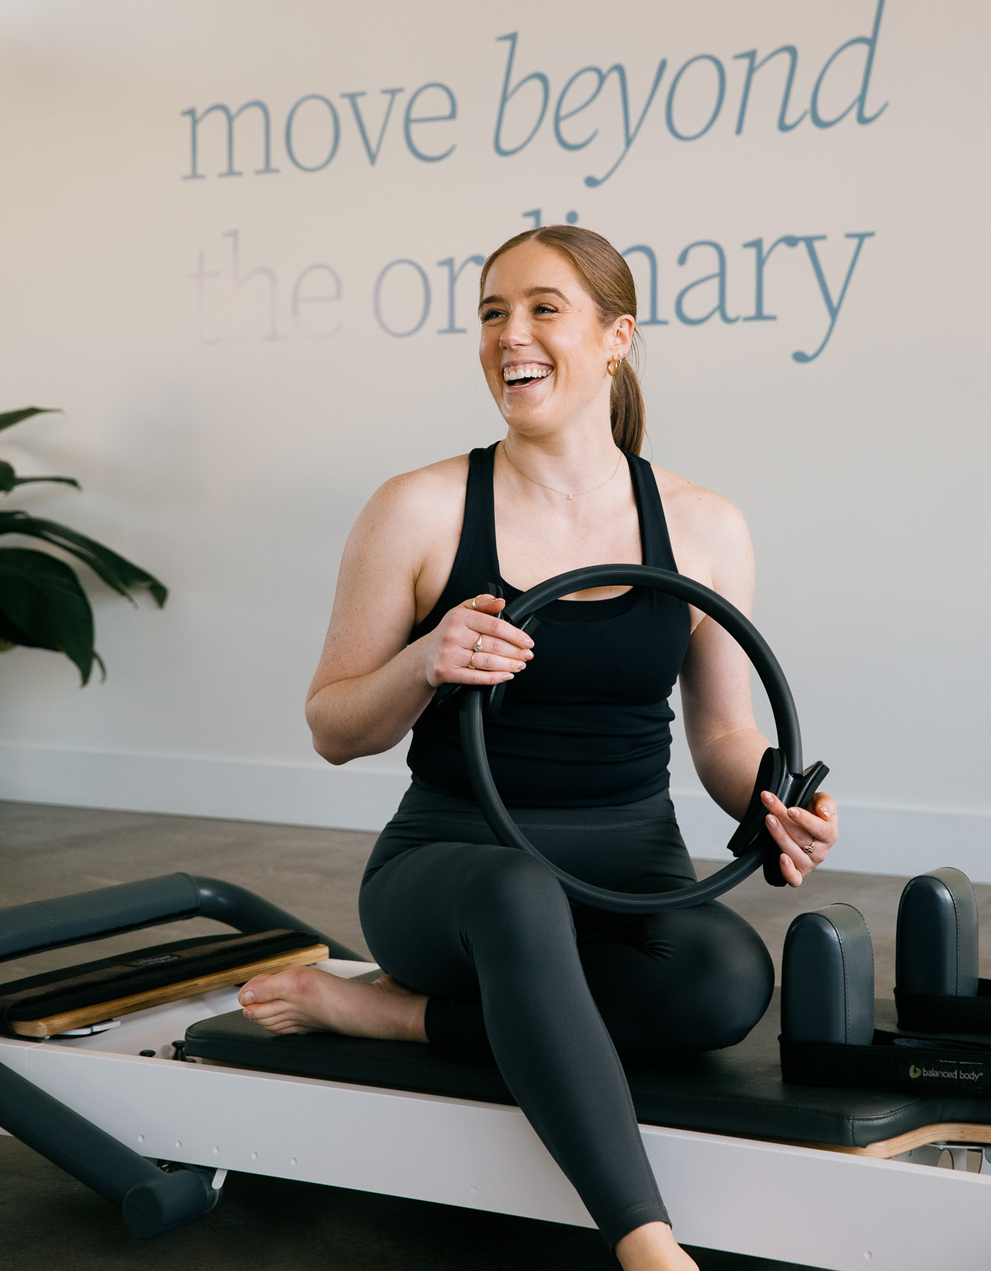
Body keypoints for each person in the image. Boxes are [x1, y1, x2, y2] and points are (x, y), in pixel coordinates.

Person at [237, 225, 839, 1271]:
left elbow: (723, 736)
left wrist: (771, 802)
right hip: (455, 869)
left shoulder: (702, 524)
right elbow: (334, 726)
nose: (510, 335)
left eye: (543, 308)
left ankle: (391, 1017)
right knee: (519, 895)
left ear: (616, 338)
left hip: (628, 869)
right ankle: (648, 1248)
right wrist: (425, 661)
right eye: (491, 312)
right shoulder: (420, 508)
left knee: (723, 983)